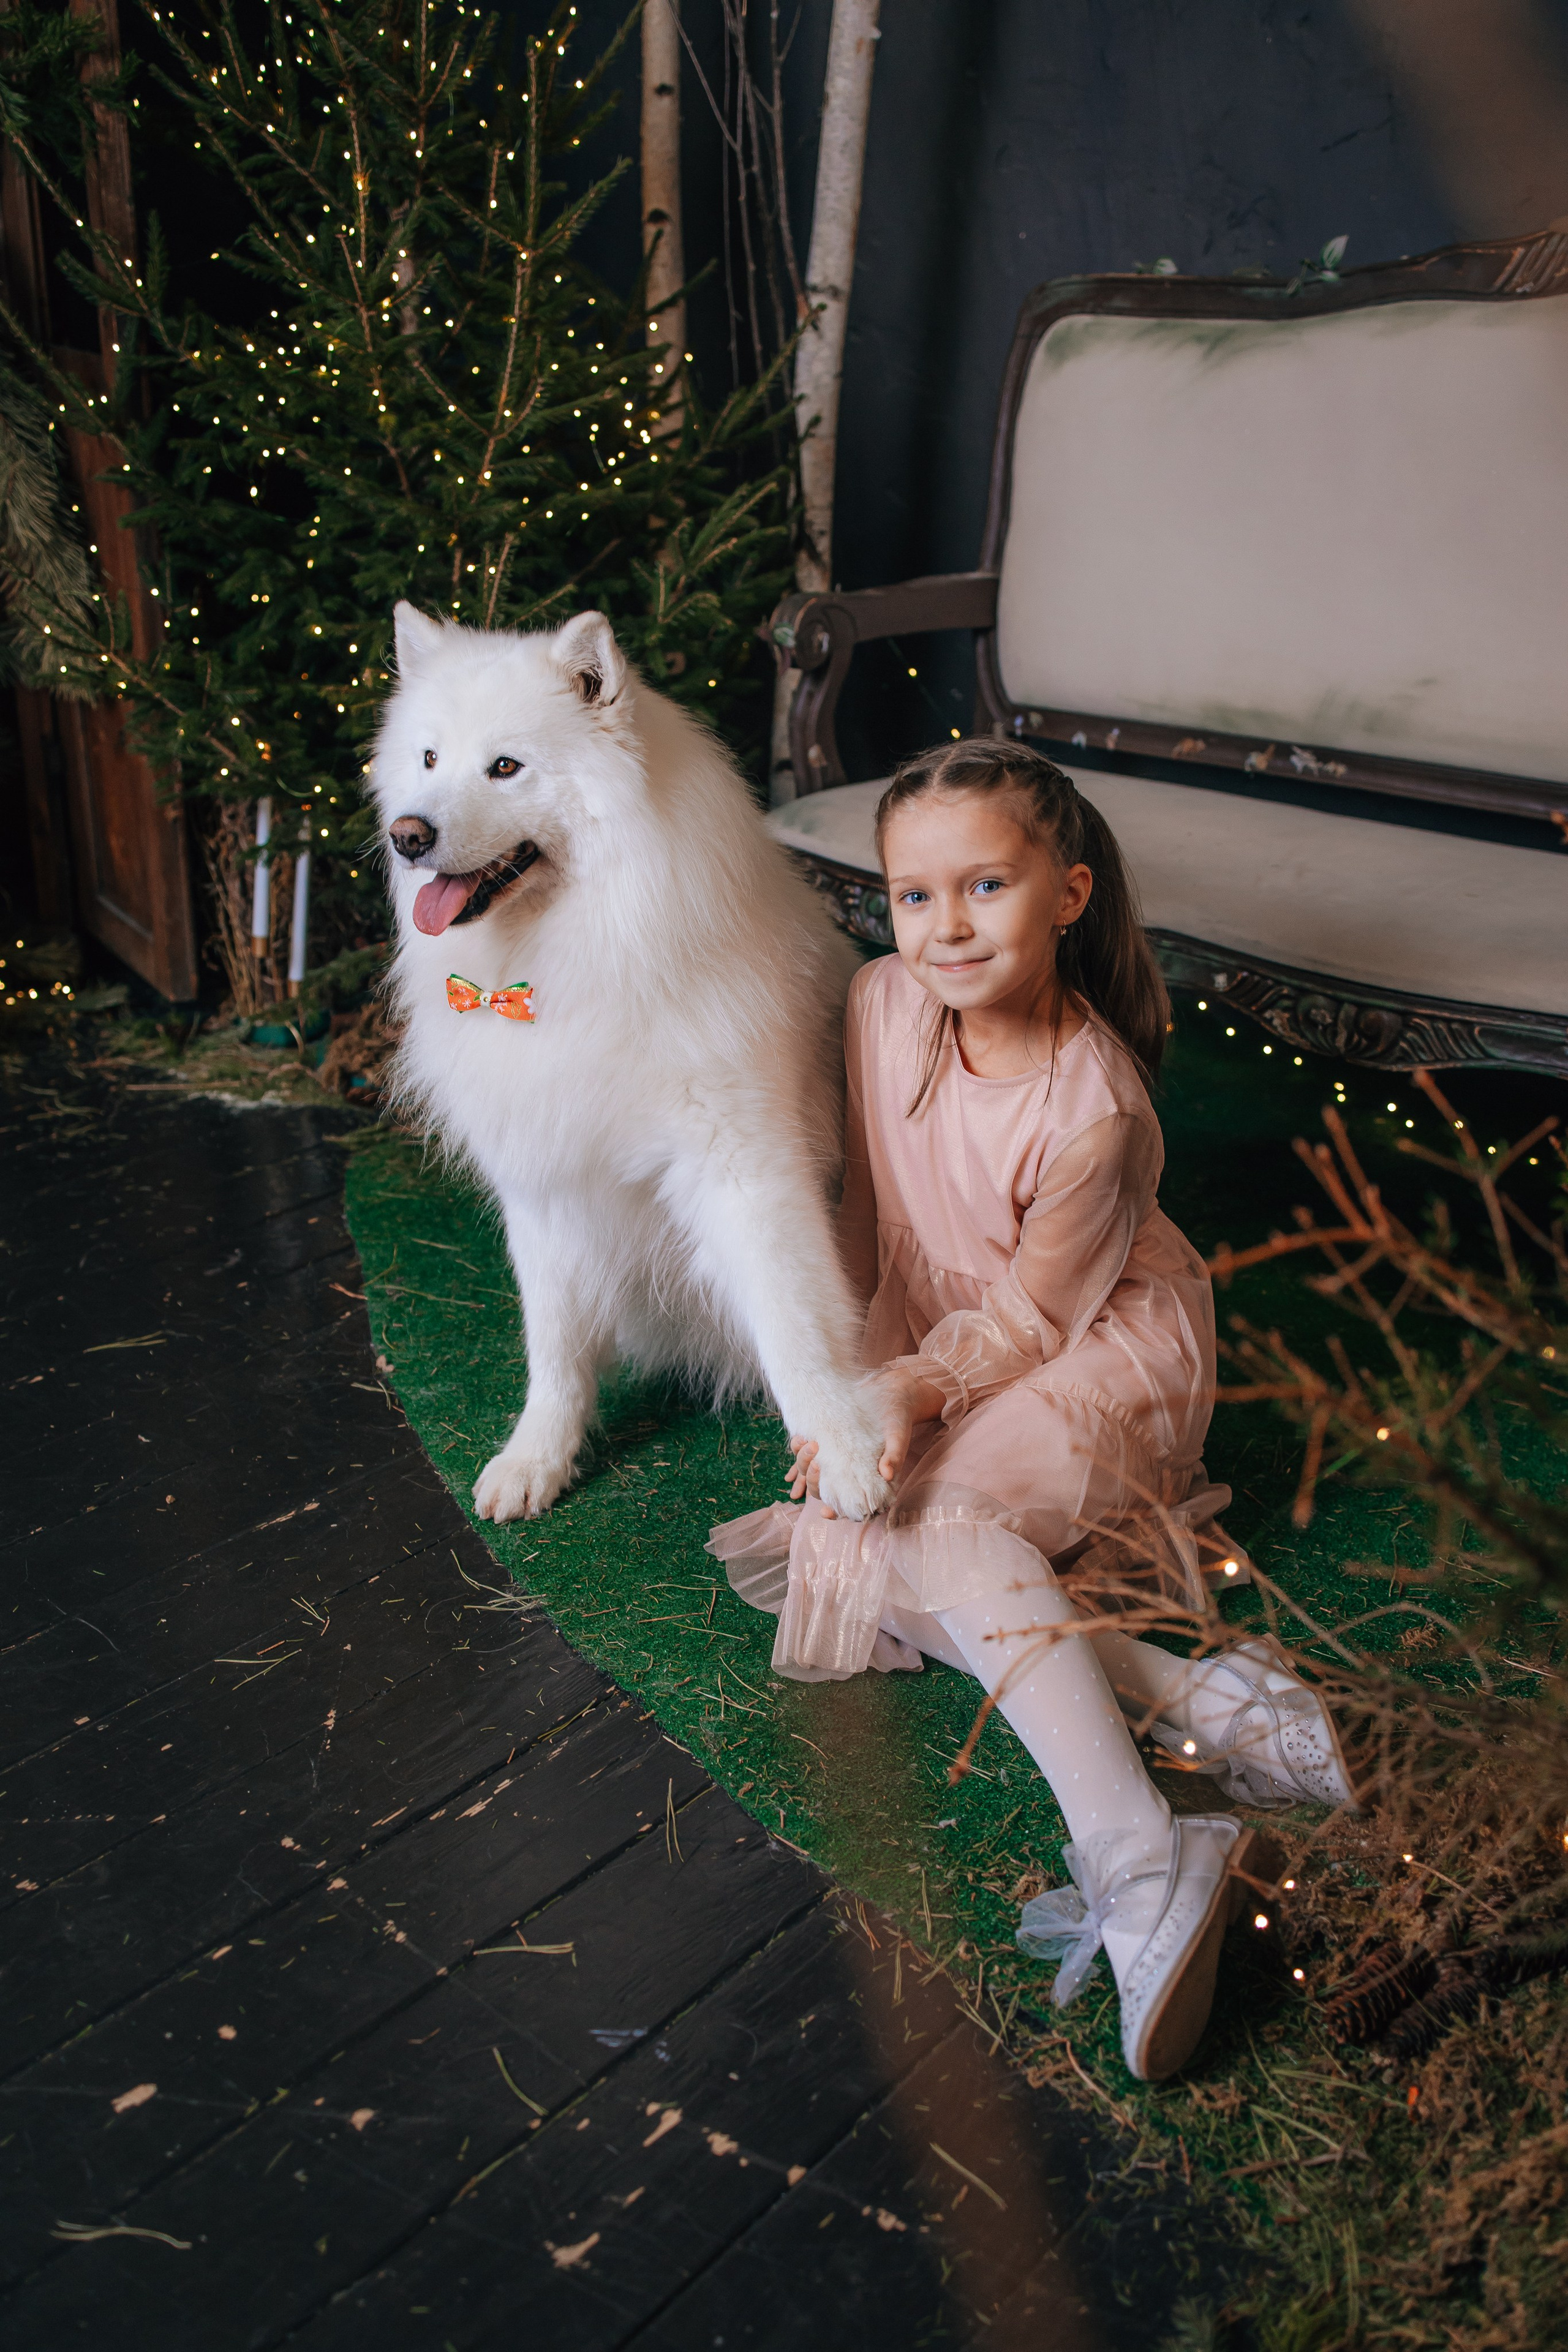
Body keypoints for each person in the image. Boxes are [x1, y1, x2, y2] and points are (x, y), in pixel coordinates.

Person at [708, 739, 1360, 2081]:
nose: (943, 929)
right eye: (911, 896)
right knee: (852, 1536)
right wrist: (851, 1386)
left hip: (1097, 1348)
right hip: (943, 1346)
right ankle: (1200, 1701)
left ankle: (1137, 1856)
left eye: (984, 887)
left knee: (928, 1540)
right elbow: (870, 1215)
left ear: (1064, 894)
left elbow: (1024, 1322)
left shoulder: (1093, 1109)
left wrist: (908, 1391)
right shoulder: (880, 1007)